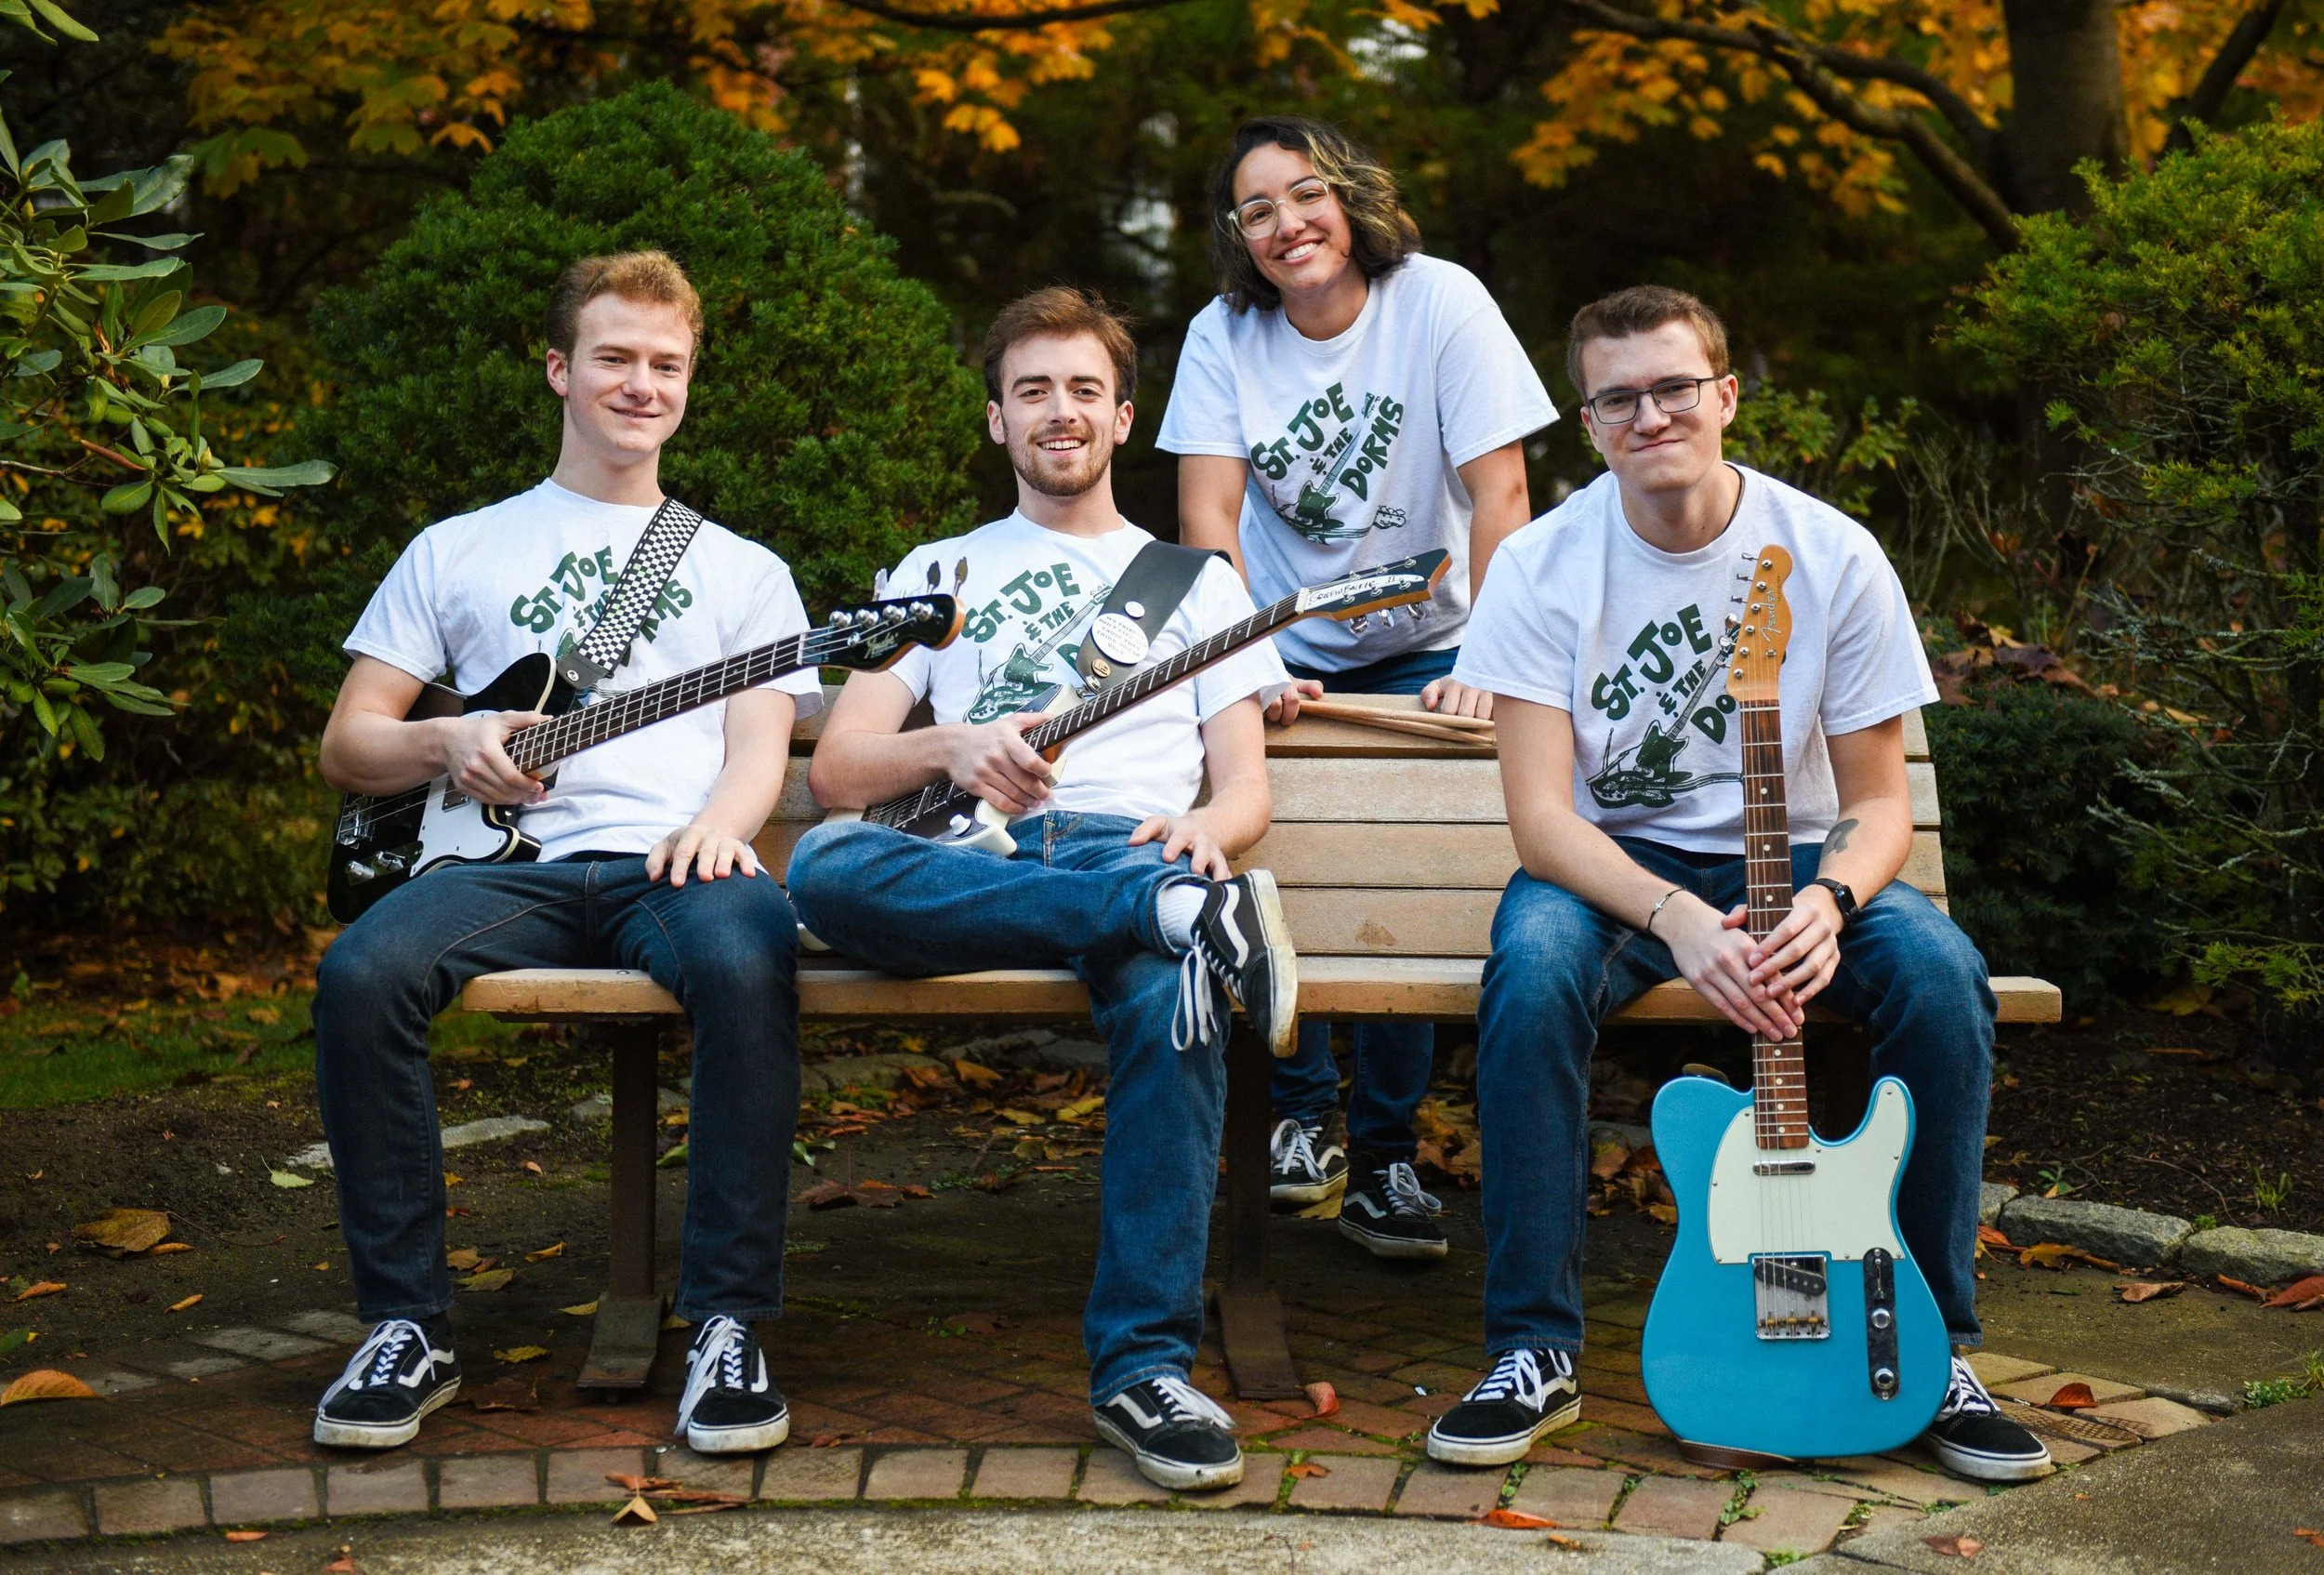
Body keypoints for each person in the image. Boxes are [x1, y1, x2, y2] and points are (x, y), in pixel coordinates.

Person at [1422, 285, 2051, 1484]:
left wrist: (1831, 903)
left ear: (1723, 395)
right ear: (1589, 422)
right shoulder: (1544, 564)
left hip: (1796, 856)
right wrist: (1673, 916)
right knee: (1534, 972)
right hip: (1622, 871)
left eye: (1673, 386)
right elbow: (1543, 818)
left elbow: (1876, 803)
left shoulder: (1827, 553)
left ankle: (1925, 1342)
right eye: (1619, 397)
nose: (1650, 413)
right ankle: (1534, 1347)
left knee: (1939, 974)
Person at [310, 251, 816, 1456]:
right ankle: (407, 1325)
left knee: (752, 961)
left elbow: (759, 745)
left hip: (673, 869)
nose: (642, 384)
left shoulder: (743, 570)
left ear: (689, 382)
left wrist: (722, 828)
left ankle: (729, 1324)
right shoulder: (458, 548)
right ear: (560, 369)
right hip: (499, 873)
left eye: (666, 364)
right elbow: (349, 744)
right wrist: (450, 738)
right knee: (360, 976)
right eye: (616, 358)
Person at [787, 286, 1293, 1492]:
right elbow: (840, 772)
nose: (1057, 413)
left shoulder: (1195, 580)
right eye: (1031, 391)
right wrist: (950, 747)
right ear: (996, 418)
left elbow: (1246, 789)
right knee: (824, 864)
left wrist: (1202, 838)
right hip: (971, 857)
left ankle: (1143, 1369)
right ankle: (1171, 919)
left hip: (1134, 844)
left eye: (1081, 390)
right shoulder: (937, 568)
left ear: (1122, 417)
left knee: (1176, 988)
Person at [1156, 115, 1557, 1261]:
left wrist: (1493, 660)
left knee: (1413, 881)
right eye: (1257, 210)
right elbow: (1206, 521)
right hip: (1281, 644)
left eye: (1305, 195)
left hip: (1438, 643)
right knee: (1274, 866)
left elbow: (1503, 494)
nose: (1288, 225)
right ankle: (1297, 1124)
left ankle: (1384, 1156)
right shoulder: (1223, 334)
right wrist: (1248, 658)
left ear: (1350, 196)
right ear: (1238, 236)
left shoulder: (1439, 301)